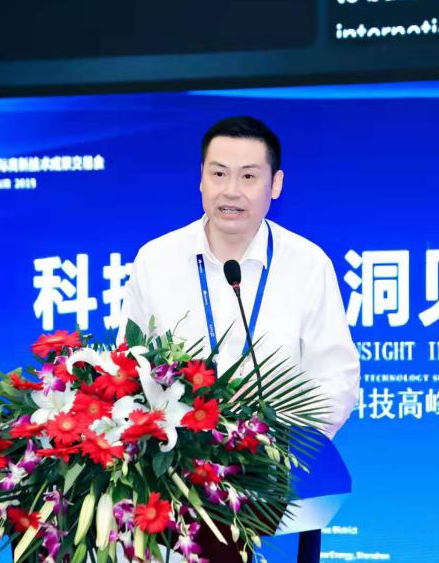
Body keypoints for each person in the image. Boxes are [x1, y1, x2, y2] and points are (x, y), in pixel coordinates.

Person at [117, 115, 359, 561]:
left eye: (248, 176)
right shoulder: (156, 260)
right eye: (219, 174)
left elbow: (336, 377)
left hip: (279, 491)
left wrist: (281, 451)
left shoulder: (308, 265)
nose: (231, 191)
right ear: (201, 179)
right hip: (171, 489)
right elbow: (129, 367)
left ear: (275, 184)